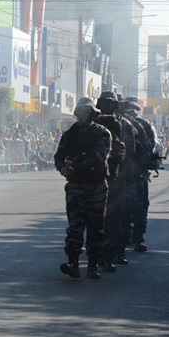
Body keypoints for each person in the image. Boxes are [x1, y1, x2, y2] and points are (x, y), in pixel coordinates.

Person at [54, 97, 112, 280]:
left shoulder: (103, 133)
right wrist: (62, 167)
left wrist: (76, 168)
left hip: (96, 185)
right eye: (80, 112)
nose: (83, 115)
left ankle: (93, 265)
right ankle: (73, 263)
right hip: (75, 186)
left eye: (86, 112)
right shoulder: (70, 134)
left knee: (96, 226)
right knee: (75, 226)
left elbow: (100, 157)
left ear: (93, 114)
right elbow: (59, 156)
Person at [94, 92, 126, 273]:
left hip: (100, 177)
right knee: (110, 218)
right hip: (108, 177)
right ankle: (106, 257)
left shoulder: (92, 122)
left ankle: (101, 257)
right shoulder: (117, 124)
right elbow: (125, 152)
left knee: (99, 218)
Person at [121, 96, 156, 253]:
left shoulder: (120, 121)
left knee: (124, 207)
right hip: (135, 174)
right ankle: (137, 239)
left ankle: (129, 237)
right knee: (139, 207)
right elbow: (149, 147)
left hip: (124, 174)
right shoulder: (142, 124)